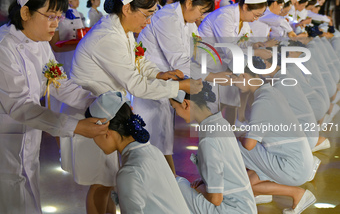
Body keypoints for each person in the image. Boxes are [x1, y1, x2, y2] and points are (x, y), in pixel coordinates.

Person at [61, 0, 203, 214]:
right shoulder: (108, 37)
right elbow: (136, 84)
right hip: (89, 112)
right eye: (146, 15)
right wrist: (180, 86)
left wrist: (160, 74)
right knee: (100, 182)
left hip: (106, 111)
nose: (148, 22)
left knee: (106, 180)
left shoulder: (123, 31)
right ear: (127, 8)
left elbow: (138, 62)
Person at [0, 0, 109, 214]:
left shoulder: (40, 43)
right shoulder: (4, 47)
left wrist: (97, 103)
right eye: (50, 16)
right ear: (26, 12)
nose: (56, 24)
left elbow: (61, 84)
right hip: (4, 142)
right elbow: (20, 107)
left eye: (59, 17)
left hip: (29, 139)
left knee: (28, 194)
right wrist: (77, 127)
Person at [133, 0, 215, 174]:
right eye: (200, 11)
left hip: (169, 82)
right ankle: (166, 186)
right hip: (151, 81)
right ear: (189, 4)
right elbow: (179, 59)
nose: (200, 17)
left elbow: (198, 49)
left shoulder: (187, 21)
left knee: (163, 139)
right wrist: (212, 75)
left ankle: (170, 184)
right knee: (152, 140)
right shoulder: (168, 17)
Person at [234, 57, 316, 213]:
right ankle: (267, 193)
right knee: (249, 185)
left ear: (245, 76)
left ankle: (297, 193)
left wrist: (237, 137)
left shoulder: (262, 101)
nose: (235, 82)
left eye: (236, 77)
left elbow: (249, 145)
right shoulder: (270, 92)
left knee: (234, 144)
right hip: (299, 161)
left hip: (292, 167)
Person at [88, 91, 191, 214]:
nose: (93, 140)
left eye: (93, 134)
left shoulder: (129, 172)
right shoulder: (153, 151)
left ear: (106, 132)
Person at [170, 82, 257, 213]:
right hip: (246, 206)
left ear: (186, 104)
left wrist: (201, 188)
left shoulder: (208, 139)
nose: (176, 113)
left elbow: (215, 199)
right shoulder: (220, 122)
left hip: (232, 209)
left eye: (174, 107)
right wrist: (205, 181)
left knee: (175, 184)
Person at [198, 0, 271, 125]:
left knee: (232, 102)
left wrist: (254, 45)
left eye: (259, 17)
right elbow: (230, 50)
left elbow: (243, 41)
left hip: (225, 64)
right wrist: (255, 52)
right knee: (213, 110)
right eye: (255, 15)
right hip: (209, 64)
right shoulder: (225, 16)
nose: (255, 20)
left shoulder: (243, 20)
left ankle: (229, 137)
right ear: (245, 6)